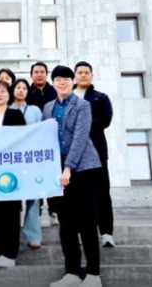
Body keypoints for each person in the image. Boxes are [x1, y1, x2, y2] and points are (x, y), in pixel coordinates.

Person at [44, 66, 103, 287]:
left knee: (87, 221)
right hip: (58, 170)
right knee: (66, 223)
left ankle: (93, 275)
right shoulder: (48, 107)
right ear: (53, 83)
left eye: (66, 79)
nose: (62, 82)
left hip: (84, 168)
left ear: (73, 81)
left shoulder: (82, 105)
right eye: (58, 79)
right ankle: (72, 273)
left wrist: (68, 167)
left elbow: (80, 137)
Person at [0, 80, 26, 268]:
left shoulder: (15, 115)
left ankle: (10, 253)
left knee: (11, 212)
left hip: (11, 169)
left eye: (3, 91)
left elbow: (22, 138)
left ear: (9, 95)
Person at [73, 61, 115, 247]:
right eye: (80, 72)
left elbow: (105, 120)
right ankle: (80, 232)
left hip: (96, 152)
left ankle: (106, 233)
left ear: (91, 76)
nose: (83, 75)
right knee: (77, 194)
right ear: (75, 76)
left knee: (102, 193)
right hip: (73, 154)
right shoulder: (67, 97)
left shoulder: (100, 98)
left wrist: (81, 127)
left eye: (86, 72)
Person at [9, 79, 43, 249]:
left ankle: (33, 235)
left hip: (31, 158)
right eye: (18, 87)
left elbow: (41, 132)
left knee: (33, 197)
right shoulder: (6, 109)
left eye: (24, 88)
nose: (21, 90)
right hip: (11, 159)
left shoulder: (35, 110)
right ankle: (11, 235)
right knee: (11, 198)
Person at [27, 62, 58, 225]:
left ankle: (54, 212)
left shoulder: (55, 91)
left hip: (53, 142)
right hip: (33, 143)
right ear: (31, 75)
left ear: (46, 74)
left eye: (42, 72)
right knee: (35, 178)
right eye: (36, 72)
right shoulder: (27, 92)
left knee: (53, 176)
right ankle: (36, 214)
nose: (39, 75)